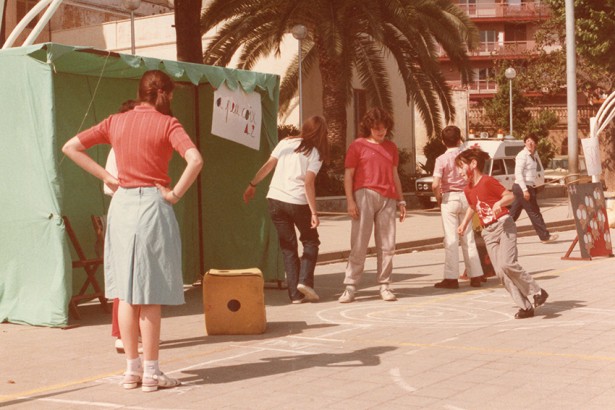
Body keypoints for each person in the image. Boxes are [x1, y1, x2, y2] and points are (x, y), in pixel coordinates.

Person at [62, 70, 203, 391]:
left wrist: (107, 177)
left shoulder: (115, 121)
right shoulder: (169, 125)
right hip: (153, 205)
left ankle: (132, 370)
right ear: (164, 93)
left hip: (122, 206)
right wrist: (175, 194)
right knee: (150, 293)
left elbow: (70, 147)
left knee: (125, 293)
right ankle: (152, 372)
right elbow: (195, 159)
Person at [243, 116, 329, 304]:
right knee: (311, 241)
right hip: (297, 201)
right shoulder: (315, 153)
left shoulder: (285, 143)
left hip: (275, 199)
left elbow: (268, 166)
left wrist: (253, 184)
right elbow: (308, 183)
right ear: (322, 134)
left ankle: (294, 294)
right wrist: (314, 212)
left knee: (288, 248)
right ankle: (305, 281)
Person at [456, 147, 549, 319]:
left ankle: (537, 291)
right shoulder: (468, 189)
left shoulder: (487, 181)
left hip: (503, 225)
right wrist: (463, 224)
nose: (459, 171)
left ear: (473, 164)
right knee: (500, 272)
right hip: (488, 232)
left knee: (508, 263)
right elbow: (472, 207)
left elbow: (510, 196)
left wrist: (500, 203)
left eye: (461, 166)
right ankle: (526, 307)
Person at [339, 107, 407, 303]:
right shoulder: (357, 146)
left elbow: (395, 175)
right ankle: (350, 286)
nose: (380, 131)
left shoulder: (391, 147)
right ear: (369, 127)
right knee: (359, 242)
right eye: (377, 128)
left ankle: (385, 285)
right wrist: (350, 201)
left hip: (388, 197)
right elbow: (349, 175)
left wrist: (401, 200)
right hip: (364, 194)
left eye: (384, 128)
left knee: (387, 245)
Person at [431, 125, 484, 289]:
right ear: (460, 139)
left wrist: (438, 196)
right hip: (466, 197)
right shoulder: (466, 157)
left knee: (451, 239)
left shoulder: (441, 159)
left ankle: (451, 277)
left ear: (442, 142)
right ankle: (475, 275)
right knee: (468, 238)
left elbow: (435, 184)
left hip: (450, 197)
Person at [509, 134, 558, 244]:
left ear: (535, 144)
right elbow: (518, 173)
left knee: (513, 213)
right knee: (534, 212)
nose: (530, 143)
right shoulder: (522, 155)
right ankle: (544, 237)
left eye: (532, 141)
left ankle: (500, 233)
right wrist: (525, 190)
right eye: (528, 141)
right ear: (524, 143)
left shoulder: (533, 156)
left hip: (527, 186)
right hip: (523, 187)